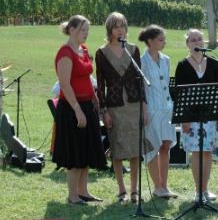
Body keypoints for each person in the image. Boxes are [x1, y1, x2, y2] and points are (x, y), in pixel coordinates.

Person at [52, 15, 107, 205]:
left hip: (86, 105)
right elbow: (65, 84)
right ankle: (72, 195)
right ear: (72, 29)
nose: (86, 34)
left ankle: (83, 192)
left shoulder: (83, 49)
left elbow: (85, 79)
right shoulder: (65, 53)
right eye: (83, 30)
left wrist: (94, 99)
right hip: (71, 108)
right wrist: (77, 109)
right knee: (75, 153)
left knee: (86, 151)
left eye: (88, 30)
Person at [95, 12, 147, 203]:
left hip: (134, 106)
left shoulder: (133, 50)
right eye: (116, 26)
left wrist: (145, 107)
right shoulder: (101, 53)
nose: (120, 30)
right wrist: (103, 111)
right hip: (114, 107)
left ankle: (134, 191)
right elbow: (100, 85)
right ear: (109, 29)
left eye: (122, 26)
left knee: (134, 150)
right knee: (117, 149)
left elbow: (140, 81)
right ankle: (122, 190)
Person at [175, 29, 218, 202]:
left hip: (211, 115)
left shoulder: (213, 63)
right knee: (197, 152)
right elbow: (179, 95)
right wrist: (185, 119)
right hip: (191, 117)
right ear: (187, 44)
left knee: (208, 152)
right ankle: (198, 192)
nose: (197, 42)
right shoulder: (182, 65)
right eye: (193, 40)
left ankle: (205, 189)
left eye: (200, 39)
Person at [138, 24, 178, 198]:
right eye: (160, 39)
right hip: (151, 110)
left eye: (164, 39)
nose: (164, 42)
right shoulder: (141, 61)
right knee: (152, 147)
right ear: (150, 41)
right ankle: (157, 187)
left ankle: (164, 185)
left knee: (165, 146)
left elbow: (168, 86)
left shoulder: (167, 59)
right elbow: (141, 89)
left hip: (168, 108)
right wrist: (144, 110)